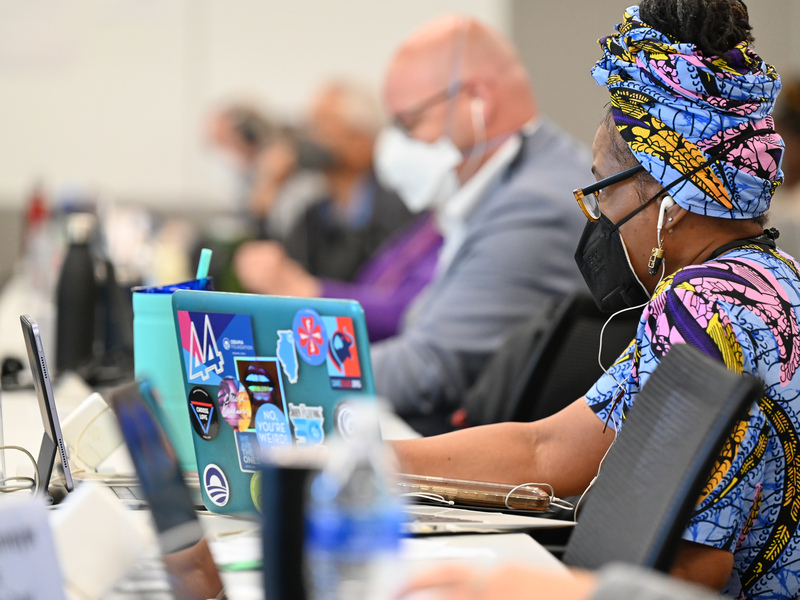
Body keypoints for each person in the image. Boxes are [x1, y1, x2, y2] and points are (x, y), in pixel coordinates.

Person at [393, 1, 795, 597]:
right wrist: (372, 461)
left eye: (604, 189)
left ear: (671, 198)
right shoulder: (771, 278)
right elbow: (549, 451)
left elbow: (693, 571)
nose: (599, 214)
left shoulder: (701, 310)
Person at [235, 81, 415, 284]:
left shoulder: (400, 211)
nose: (309, 136)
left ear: (362, 140)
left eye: (322, 124)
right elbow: (277, 277)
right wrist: (265, 198)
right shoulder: (313, 216)